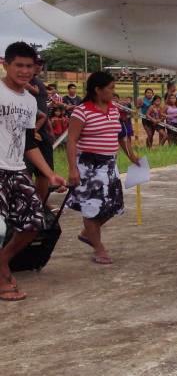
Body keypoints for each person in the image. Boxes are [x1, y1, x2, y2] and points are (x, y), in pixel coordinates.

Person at [0, 42, 68, 301]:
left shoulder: (29, 101)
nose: (25, 71)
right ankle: (1, 277)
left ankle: (2, 262)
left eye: (29, 66)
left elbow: (29, 142)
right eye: (19, 65)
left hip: (17, 169)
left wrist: (49, 174)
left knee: (34, 222)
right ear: (6, 65)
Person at [66, 71, 141, 265]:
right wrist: (72, 169)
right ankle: (99, 248)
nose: (113, 92)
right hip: (89, 167)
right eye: (110, 88)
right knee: (91, 207)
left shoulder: (114, 110)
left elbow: (120, 136)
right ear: (98, 90)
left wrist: (132, 156)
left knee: (113, 206)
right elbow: (71, 140)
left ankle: (88, 233)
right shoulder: (81, 111)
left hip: (109, 165)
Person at [23, 56, 54, 205]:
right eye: (36, 63)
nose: (39, 66)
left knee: (44, 171)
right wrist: (32, 130)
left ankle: (42, 204)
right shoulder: (22, 83)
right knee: (26, 171)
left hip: (42, 131)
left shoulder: (39, 83)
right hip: (27, 131)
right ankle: (27, 203)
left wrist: (48, 126)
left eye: (41, 64)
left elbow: (43, 108)